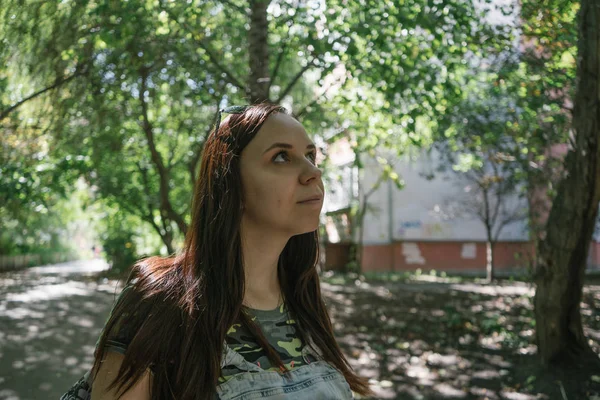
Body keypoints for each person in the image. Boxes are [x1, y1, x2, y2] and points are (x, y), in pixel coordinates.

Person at [61, 103, 374, 399]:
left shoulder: (305, 302)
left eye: (310, 156)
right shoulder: (159, 302)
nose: (312, 173)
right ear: (229, 185)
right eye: (281, 157)